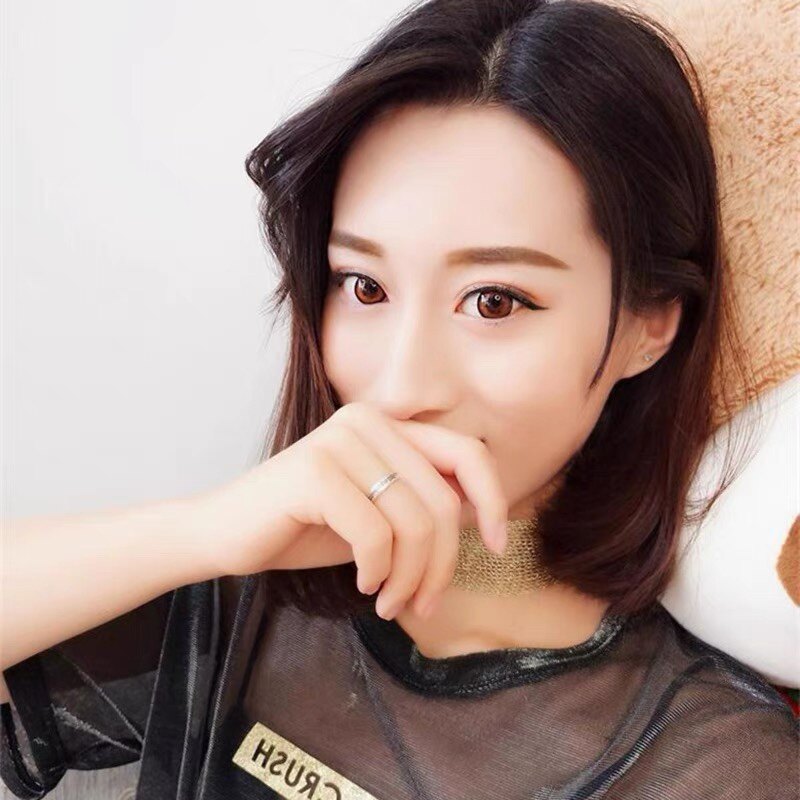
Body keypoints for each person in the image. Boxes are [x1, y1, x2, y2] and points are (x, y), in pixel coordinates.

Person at [2, 0, 797, 798]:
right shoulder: (241, 594)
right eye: (365, 286)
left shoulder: (715, 763)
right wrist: (199, 532)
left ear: (649, 325)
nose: (401, 385)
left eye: (494, 301)